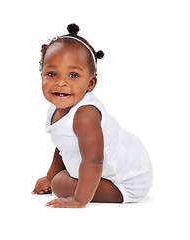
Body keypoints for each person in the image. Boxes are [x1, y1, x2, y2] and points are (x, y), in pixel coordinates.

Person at [31, 23, 153, 208]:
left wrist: (79, 199)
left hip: (127, 182)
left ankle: (82, 190)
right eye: (52, 73)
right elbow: (62, 146)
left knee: (60, 184)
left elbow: (94, 160)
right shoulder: (56, 107)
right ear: (41, 75)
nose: (61, 82)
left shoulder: (85, 114)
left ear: (91, 83)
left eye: (73, 75)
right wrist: (49, 176)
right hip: (104, 168)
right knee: (56, 179)